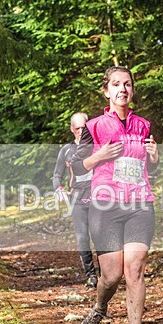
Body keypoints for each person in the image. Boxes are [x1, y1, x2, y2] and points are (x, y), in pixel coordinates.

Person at [70, 65, 159, 324]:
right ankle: (99, 308)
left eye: (128, 84)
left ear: (132, 90)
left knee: (134, 269)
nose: (123, 89)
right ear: (106, 91)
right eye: (117, 85)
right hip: (105, 206)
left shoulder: (143, 125)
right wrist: (99, 156)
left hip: (139, 204)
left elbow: (146, 163)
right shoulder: (94, 126)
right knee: (111, 276)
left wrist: (155, 157)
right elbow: (76, 165)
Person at [52, 112, 97, 289]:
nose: (80, 131)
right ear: (72, 129)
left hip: (98, 194)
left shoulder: (96, 145)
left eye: (83, 127)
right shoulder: (66, 150)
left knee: (100, 236)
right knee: (82, 237)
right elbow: (57, 175)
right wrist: (58, 188)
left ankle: (106, 274)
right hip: (77, 196)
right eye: (77, 128)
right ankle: (91, 275)